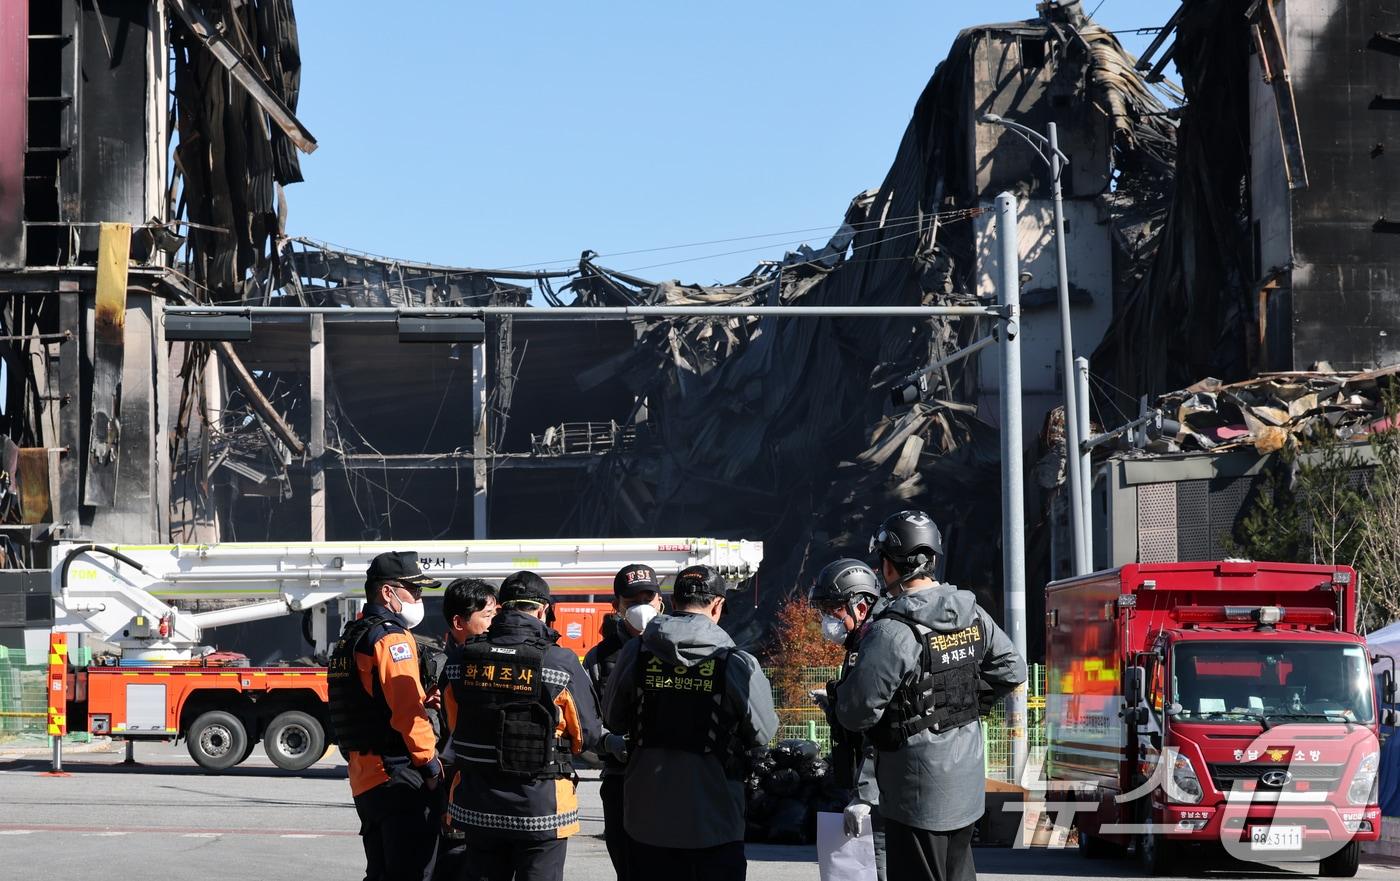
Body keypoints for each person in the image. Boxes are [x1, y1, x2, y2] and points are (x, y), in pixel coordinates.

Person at [836, 511, 1026, 881]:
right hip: (966, 783)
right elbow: (1012, 670)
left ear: (889, 567)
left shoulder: (892, 631)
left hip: (915, 791)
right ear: (932, 560)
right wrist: (964, 702)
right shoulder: (974, 615)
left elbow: (856, 713)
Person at [602, 565, 779, 881]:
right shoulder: (737, 662)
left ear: (671, 601)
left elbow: (613, 719)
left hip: (645, 819)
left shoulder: (635, 652)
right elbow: (763, 733)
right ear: (717, 605)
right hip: (714, 821)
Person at [444, 571, 601, 881]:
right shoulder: (560, 662)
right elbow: (587, 735)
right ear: (543, 610)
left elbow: (454, 725)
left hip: (477, 805)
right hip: (540, 808)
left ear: (501, 608)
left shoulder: (461, 660)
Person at [327, 551, 445, 881]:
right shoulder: (393, 638)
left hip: (364, 776)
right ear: (388, 592)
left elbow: (363, 702)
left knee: (380, 872)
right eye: (415, 591)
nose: (419, 599)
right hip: (399, 774)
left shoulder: (351, 638)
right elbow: (407, 713)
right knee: (411, 871)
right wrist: (431, 766)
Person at [583, 563, 665, 881]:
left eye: (649, 598)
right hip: (621, 778)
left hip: (669, 777)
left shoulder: (684, 648)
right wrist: (608, 741)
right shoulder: (599, 658)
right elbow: (587, 719)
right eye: (632, 602)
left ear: (661, 601)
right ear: (616, 606)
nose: (643, 608)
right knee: (629, 869)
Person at [810, 558, 888, 881]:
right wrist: (834, 706)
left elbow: (879, 724)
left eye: (834, 610)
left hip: (881, 793)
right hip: (863, 783)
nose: (829, 620)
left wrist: (867, 795)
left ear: (860, 605)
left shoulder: (880, 643)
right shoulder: (860, 643)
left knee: (880, 866)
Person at [431, 579, 498, 881]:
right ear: (459, 622)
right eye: (487, 615)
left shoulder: (497, 660)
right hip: (452, 787)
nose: (495, 622)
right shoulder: (438, 666)